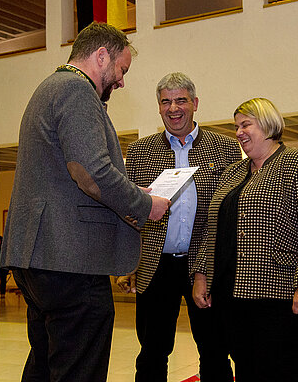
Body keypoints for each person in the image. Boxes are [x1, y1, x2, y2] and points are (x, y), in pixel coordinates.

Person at [0, 22, 170, 382]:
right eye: (122, 70)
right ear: (101, 55)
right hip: (71, 259)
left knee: (46, 364)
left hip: (39, 256)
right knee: (80, 370)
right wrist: (144, 204)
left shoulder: (48, 89)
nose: (121, 81)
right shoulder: (76, 91)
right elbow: (91, 173)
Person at [192, 98, 298, 382]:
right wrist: (201, 274)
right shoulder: (233, 172)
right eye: (236, 126)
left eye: (246, 124)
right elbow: (212, 229)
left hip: (281, 296)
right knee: (245, 369)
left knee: (278, 371)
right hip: (233, 296)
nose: (239, 132)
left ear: (268, 124)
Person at [118, 72, 241, 381]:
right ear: (159, 107)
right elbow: (127, 211)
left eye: (181, 100)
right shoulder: (139, 151)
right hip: (155, 267)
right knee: (152, 352)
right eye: (166, 102)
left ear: (195, 104)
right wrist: (127, 263)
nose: (174, 108)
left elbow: (229, 212)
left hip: (205, 266)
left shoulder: (224, 148)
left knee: (214, 349)